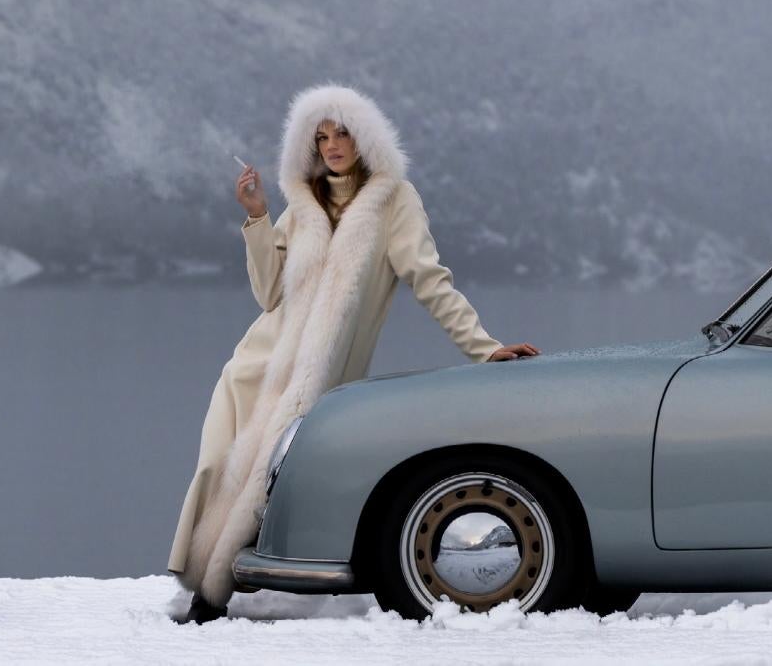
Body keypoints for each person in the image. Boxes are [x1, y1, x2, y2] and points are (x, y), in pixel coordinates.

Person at [167, 84, 539, 622]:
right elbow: (269, 294)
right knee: (216, 467)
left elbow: (430, 281)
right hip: (257, 365)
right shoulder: (304, 204)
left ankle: (215, 592)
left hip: (318, 377)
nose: (332, 145)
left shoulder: (393, 201)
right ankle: (203, 586)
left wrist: (484, 348)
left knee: (266, 480)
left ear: (364, 137)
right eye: (321, 137)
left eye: (341, 132)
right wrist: (257, 218)